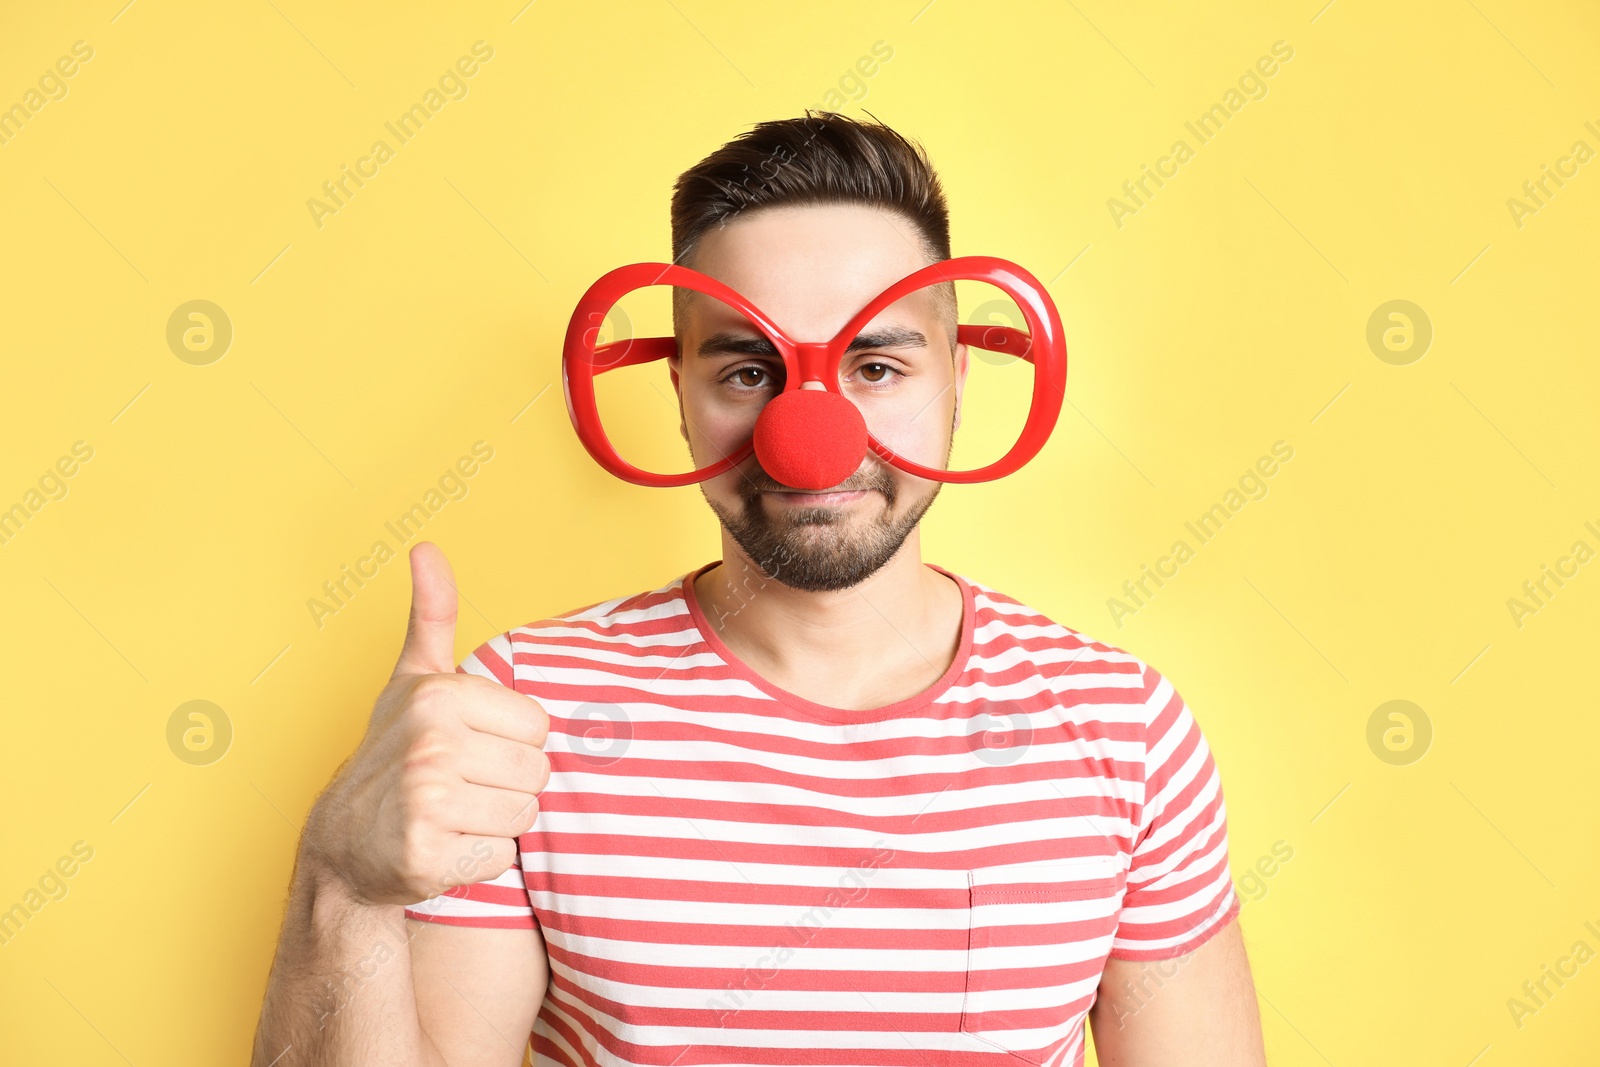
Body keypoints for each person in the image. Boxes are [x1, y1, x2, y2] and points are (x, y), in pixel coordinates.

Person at [251, 111, 1267, 1067]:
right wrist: (339, 885)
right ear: (677, 391)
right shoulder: (519, 714)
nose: (808, 435)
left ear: (960, 375)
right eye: (747, 371)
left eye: (875, 366)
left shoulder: (1121, 729)